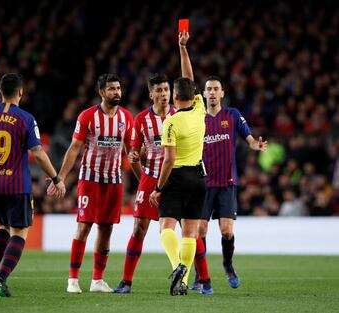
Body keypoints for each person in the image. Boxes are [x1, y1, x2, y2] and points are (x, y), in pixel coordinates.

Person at [179, 31, 268, 289]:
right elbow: (186, 79)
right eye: (208, 89)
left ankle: (228, 265)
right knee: (200, 232)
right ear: (203, 94)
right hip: (203, 183)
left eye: (216, 88)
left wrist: (255, 145)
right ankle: (200, 275)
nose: (212, 92)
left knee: (227, 231)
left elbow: (249, 137)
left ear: (223, 92)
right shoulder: (197, 115)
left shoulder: (232, 114)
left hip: (227, 183)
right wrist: (183, 49)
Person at [0, 73, 65, 297]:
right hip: (17, 184)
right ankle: (0, 280)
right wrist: (56, 178)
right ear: (21, 92)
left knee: (2, 227)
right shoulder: (26, 119)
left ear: (1, 92)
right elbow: (38, 153)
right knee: (19, 232)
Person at [47, 74, 134, 293]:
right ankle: (73, 280)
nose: (117, 92)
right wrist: (61, 178)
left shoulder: (126, 117)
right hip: (90, 179)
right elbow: (74, 148)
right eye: (112, 88)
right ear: (102, 93)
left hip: (114, 181)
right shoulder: (87, 116)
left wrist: (143, 177)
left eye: (118, 88)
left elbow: (130, 151)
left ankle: (97, 280)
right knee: (84, 226)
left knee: (106, 230)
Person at [113, 74, 176, 293]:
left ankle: (196, 279)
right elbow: (134, 154)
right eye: (159, 90)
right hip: (151, 178)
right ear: (151, 95)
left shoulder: (179, 115)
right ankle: (126, 281)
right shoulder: (141, 120)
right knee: (139, 229)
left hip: (176, 180)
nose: (164, 94)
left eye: (166, 90)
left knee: (188, 230)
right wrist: (144, 180)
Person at [148, 76, 207, 296]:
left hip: (177, 178)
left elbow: (169, 161)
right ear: (194, 96)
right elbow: (189, 78)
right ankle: (181, 283)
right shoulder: (200, 109)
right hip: (199, 177)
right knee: (190, 234)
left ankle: (176, 267)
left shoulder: (170, 122)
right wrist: (183, 49)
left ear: (174, 96)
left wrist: (159, 187)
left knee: (166, 227)